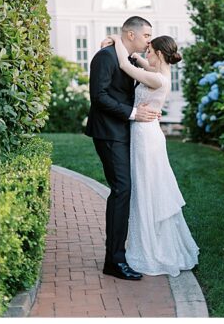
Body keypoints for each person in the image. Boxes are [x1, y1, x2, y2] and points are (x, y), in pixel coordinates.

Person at [108, 33, 200, 276]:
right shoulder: (159, 72)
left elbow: (125, 65)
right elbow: (140, 62)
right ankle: (149, 241)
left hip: (145, 136)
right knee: (145, 186)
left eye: (150, 51)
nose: (146, 54)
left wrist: (118, 41)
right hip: (147, 132)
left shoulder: (157, 79)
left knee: (146, 188)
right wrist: (138, 54)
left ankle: (151, 248)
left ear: (159, 54)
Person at [85, 16, 161, 281]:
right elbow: (99, 97)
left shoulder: (126, 58)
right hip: (108, 133)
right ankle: (114, 260)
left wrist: (146, 111)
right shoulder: (104, 57)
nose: (149, 40)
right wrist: (133, 114)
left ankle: (121, 253)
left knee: (125, 190)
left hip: (124, 132)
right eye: (147, 36)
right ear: (130, 34)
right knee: (122, 190)